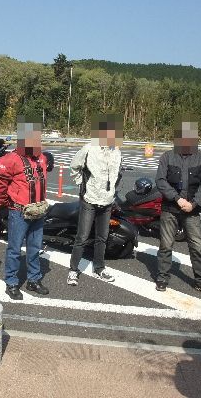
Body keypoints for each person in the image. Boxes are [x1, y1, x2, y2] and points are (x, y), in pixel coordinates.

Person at [155, 115, 201, 296]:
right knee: (166, 245)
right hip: (170, 208)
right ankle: (162, 277)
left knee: (196, 246)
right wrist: (177, 199)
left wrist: (194, 203)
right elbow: (160, 180)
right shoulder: (167, 157)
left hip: (192, 210)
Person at [0, 117, 50, 300]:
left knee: (34, 248)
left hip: (38, 211)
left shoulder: (41, 158)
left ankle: (34, 279)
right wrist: (6, 203)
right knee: (15, 249)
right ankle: (11, 282)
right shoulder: (10, 159)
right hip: (19, 211)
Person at [67, 114, 123, 286]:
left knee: (102, 237)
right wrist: (81, 185)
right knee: (82, 237)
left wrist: (113, 190)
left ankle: (99, 268)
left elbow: (117, 173)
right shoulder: (90, 148)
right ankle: (73, 270)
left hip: (107, 201)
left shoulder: (116, 151)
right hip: (89, 199)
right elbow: (74, 166)